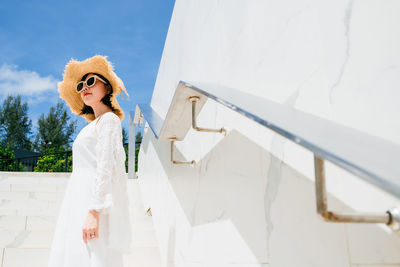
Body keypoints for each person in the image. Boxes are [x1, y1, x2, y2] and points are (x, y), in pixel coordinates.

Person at [48, 55, 132, 267]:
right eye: (81, 85)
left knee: (93, 255)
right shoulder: (92, 126)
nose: (85, 87)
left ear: (107, 88)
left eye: (91, 81)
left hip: (94, 201)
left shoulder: (110, 121)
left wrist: (94, 212)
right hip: (78, 196)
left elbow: (106, 166)